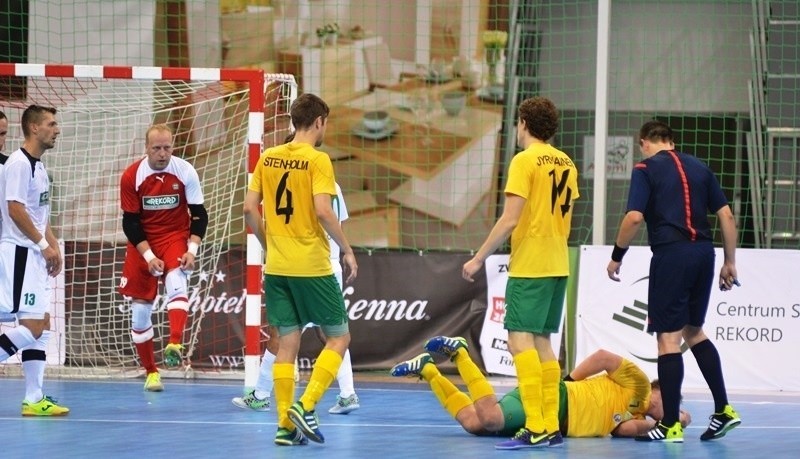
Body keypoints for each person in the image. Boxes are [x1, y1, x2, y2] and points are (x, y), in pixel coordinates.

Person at [606, 120, 741, 443]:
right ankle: (723, 409)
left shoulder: (645, 168)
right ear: (671, 141)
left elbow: (634, 217)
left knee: (667, 338)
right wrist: (730, 262)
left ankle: (669, 424)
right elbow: (727, 216)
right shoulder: (700, 167)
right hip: (704, 255)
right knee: (693, 331)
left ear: (644, 143)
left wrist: (617, 255)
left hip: (672, 255)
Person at [462, 96, 579, 449]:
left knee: (518, 339)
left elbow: (510, 217)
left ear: (524, 123)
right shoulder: (567, 162)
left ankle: (536, 424)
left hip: (532, 264)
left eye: (517, 122)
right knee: (543, 343)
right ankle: (549, 425)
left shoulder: (524, 160)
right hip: (558, 262)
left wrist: (479, 257)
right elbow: (567, 218)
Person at [243, 93, 358, 446]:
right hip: (312, 265)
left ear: (294, 121)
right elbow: (324, 212)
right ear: (320, 121)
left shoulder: (268, 157)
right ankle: (306, 406)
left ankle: (284, 425)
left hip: (276, 267)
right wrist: (348, 250)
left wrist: (269, 246)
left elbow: (249, 211)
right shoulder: (318, 160)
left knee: (286, 345)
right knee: (339, 337)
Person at [391, 337, 691, 438]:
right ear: (659, 389)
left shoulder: (636, 420)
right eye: (671, 403)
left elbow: (623, 431)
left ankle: (429, 371)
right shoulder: (637, 382)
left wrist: (669, 421)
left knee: (474, 424)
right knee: (491, 418)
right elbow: (602, 357)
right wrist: (569, 382)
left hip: (556, 425)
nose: (670, 411)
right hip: (559, 400)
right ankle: (458, 353)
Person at [232, 179, 360, 415]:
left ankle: (270, 399)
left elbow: (256, 211)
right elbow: (337, 222)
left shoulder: (296, 182)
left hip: (306, 265)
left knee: (289, 332)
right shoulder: (331, 183)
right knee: (332, 334)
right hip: (324, 265)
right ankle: (346, 393)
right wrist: (344, 251)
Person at [118, 124, 208, 392]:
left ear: (173, 146)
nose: (162, 153)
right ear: (146, 148)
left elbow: (199, 216)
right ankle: (151, 372)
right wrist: (147, 256)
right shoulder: (132, 176)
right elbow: (130, 223)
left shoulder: (185, 171)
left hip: (174, 235)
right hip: (143, 241)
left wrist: (191, 251)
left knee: (177, 277)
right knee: (139, 314)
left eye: (167, 147)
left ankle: (175, 343)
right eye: (156, 148)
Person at [0, 105, 69, 415]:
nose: (56, 130)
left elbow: (39, 214)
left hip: (35, 255)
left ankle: (34, 398)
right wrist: (42, 244)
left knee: (43, 323)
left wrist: (53, 246)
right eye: (51, 124)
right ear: (34, 128)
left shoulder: (39, 167)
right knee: (32, 325)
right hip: (18, 253)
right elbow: (15, 209)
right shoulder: (18, 163)